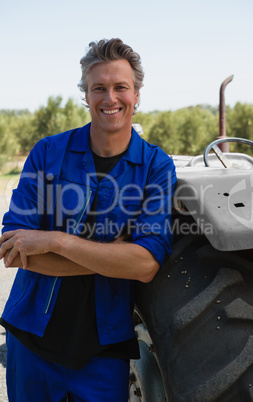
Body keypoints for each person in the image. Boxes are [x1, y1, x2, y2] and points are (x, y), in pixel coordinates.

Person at [0, 38, 177, 402]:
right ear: (86, 95)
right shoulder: (47, 152)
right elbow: (12, 249)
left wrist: (55, 241)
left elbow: (145, 265)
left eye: (120, 87)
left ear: (137, 94)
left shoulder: (156, 166)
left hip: (104, 353)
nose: (110, 98)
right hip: (31, 341)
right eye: (99, 88)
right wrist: (115, 256)